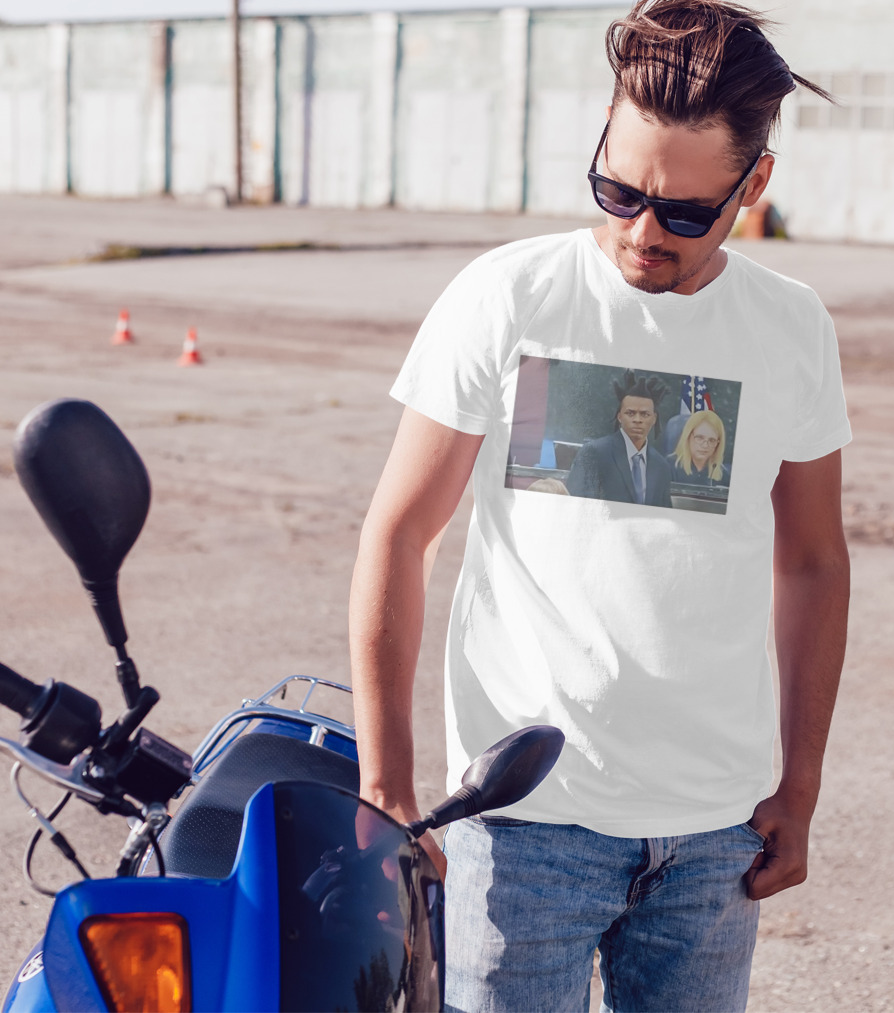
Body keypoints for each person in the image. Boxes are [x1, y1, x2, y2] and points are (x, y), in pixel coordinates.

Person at [349, 2, 851, 1010]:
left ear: (754, 185)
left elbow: (812, 560)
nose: (641, 231)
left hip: (714, 833)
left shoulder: (790, 328)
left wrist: (798, 786)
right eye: (618, 190)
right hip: (521, 823)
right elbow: (401, 532)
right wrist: (386, 777)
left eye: (684, 213)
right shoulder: (509, 296)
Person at [567, 369, 672, 506]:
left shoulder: (661, 466)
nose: (637, 419)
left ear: (654, 419)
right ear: (619, 416)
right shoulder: (594, 453)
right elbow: (578, 505)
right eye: (630, 413)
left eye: (645, 414)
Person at [669, 408, 730, 486]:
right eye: (700, 438)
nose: (705, 445)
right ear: (688, 437)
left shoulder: (723, 475)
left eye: (711, 440)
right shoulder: (668, 468)